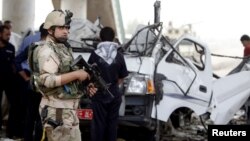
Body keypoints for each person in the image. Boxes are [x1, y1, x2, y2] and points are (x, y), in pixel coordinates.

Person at [29, 10, 96, 141]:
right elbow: (47, 80)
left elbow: (65, 76)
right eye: (61, 28)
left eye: (67, 27)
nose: (66, 31)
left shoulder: (62, 48)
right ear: (49, 30)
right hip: (57, 110)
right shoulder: (46, 50)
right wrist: (77, 74)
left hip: (68, 109)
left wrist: (85, 87)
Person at [88, 27, 128, 141]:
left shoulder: (95, 54)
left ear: (100, 38)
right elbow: (122, 77)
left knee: (98, 125)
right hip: (114, 94)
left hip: (98, 95)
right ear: (114, 38)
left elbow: (89, 75)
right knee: (112, 125)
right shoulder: (119, 55)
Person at [15, 23, 48, 141]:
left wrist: (25, 77)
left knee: (30, 116)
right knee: (40, 118)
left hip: (32, 85)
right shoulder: (52, 48)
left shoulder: (32, 46)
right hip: (45, 88)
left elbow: (17, 60)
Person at [0, 25, 20, 138]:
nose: (8, 37)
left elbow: (13, 64)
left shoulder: (11, 47)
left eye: (10, 35)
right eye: (6, 34)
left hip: (9, 81)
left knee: (14, 104)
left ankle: (11, 131)